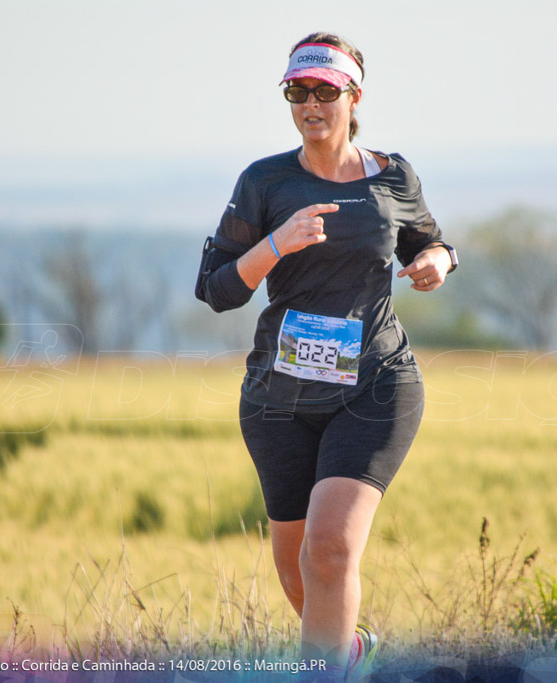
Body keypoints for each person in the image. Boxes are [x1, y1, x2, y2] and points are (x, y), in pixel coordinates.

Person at [195, 31, 457, 680]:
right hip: (278, 399)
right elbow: (216, 287)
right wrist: (276, 244)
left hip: (375, 386)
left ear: (353, 96)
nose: (310, 104)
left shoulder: (393, 175)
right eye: (297, 91)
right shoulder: (265, 183)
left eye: (324, 91)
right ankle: (354, 654)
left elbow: (432, 242)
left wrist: (434, 263)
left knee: (332, 549)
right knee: (298, 572)